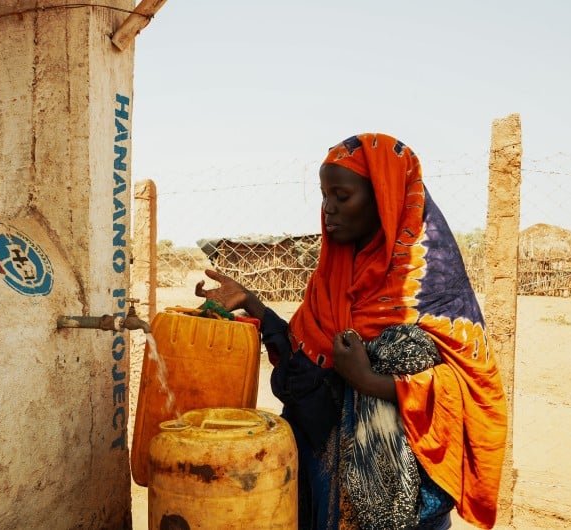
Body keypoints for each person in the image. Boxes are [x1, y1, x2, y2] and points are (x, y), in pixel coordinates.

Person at [195, 133, 508, 529]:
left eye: (342, 197)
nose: (328, 210)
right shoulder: (333, 275)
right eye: (324, 196)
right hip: (319, 468)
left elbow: (468, 389)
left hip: (392, 495)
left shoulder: (430, 286)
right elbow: (304, 349)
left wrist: (369, 380)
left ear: (384, 198)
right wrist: (253, 305)